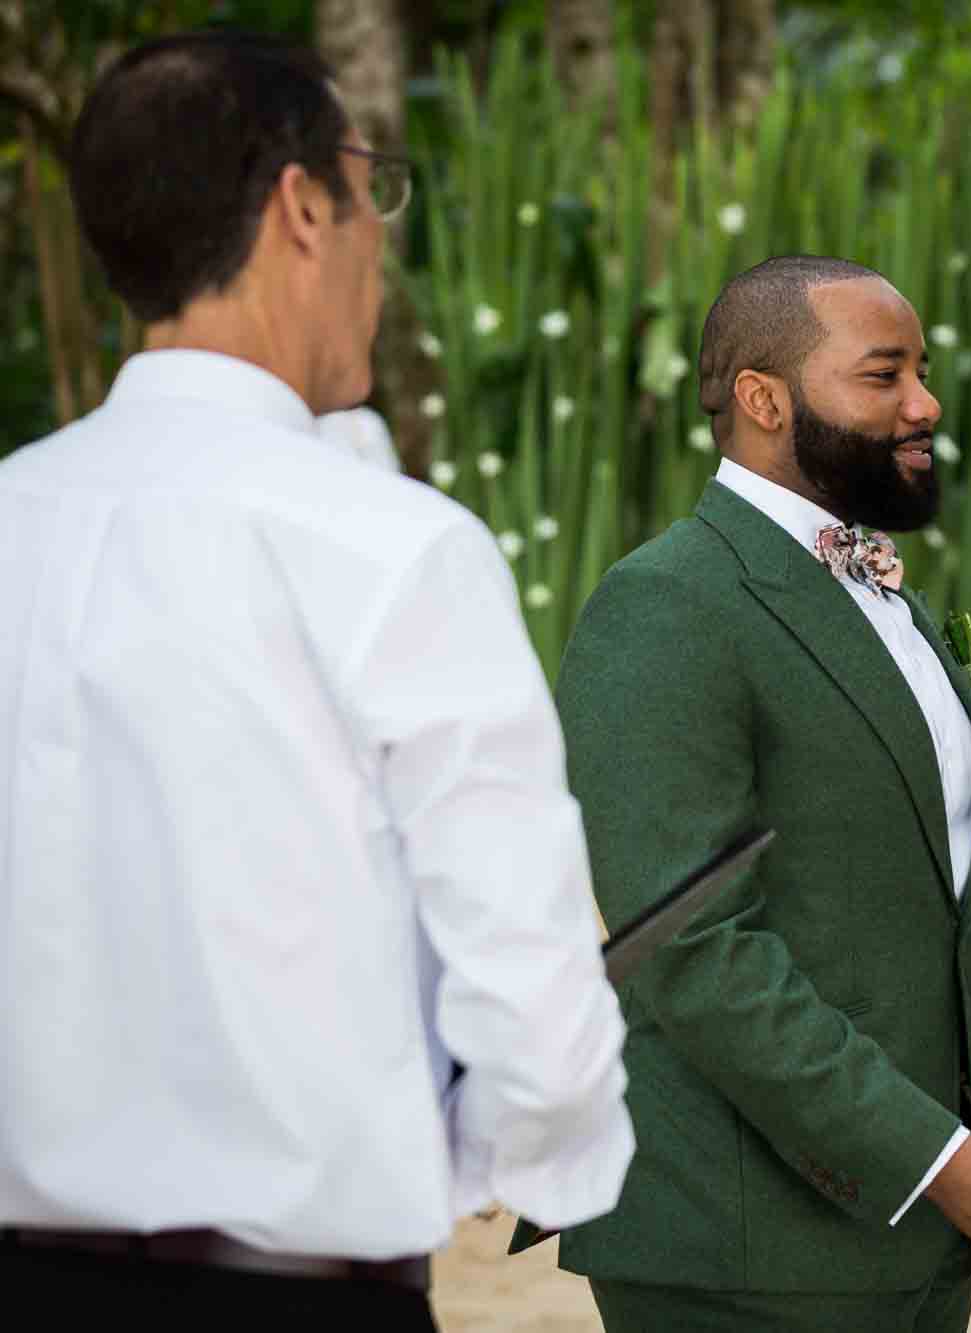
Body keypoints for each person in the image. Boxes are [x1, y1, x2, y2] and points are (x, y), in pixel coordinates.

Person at [0, 31, 633, 1328]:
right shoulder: (395, 545)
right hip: (293, 1287)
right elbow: (533, 992)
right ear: (302, 206)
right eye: (374, 192)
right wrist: (453, 1160)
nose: (379, 245)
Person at [530, 254, 971, 1333]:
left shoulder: (891, 605)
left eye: (923, 372)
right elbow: (689, 947)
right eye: (883, 375)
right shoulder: (665, 606)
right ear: (764, 399)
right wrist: (938, 1158)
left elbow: (944, 905)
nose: (925, 404)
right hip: (740, 1244)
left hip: (905, 1244)